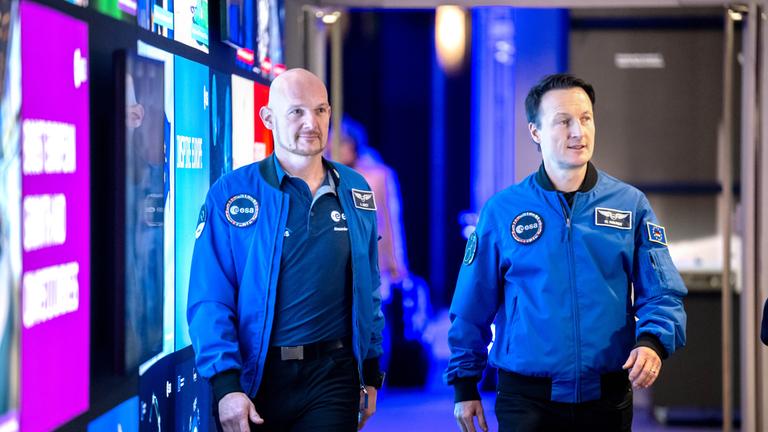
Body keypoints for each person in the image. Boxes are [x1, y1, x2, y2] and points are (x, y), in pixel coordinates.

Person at [446, 73, 687, 432]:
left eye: (586, 118)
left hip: (606, 397)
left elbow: (663, 291)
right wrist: (465, 385)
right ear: (535, 132)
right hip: (526, 400)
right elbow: (471, 306)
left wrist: (652, 341)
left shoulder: (629, 205)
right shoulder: (502, 211)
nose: (579, 131)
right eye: (563, 121)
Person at [187, 68, 385, 432]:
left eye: (321, 110)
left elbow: (369, 286)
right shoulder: (231, 193)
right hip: (258, 378)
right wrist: (226, 386)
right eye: (297, 111)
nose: (312, 122)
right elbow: (209, 299)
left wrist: (371, 372)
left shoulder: (355, 188)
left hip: (333, 375)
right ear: (268, 117)